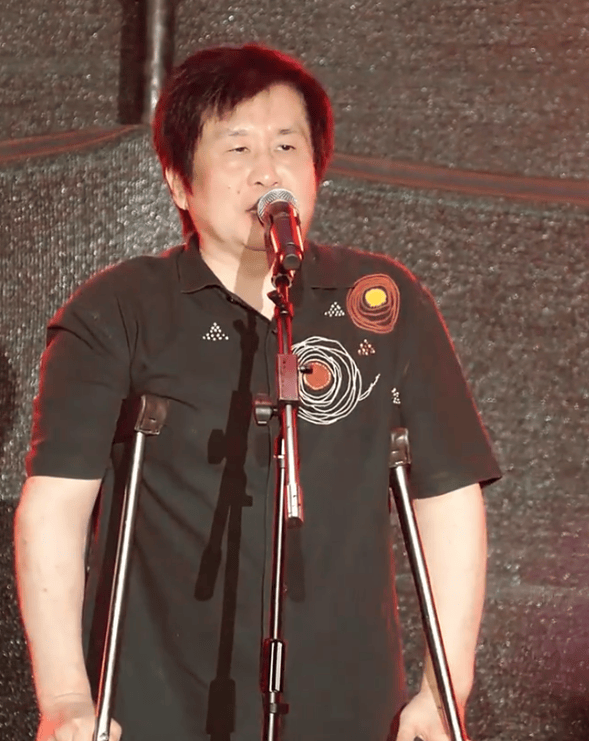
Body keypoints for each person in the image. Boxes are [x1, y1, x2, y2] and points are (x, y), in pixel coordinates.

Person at [14, 43, 500, 741]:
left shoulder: (381, 299)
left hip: (353, 708)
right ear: (179, 181)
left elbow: (447, 497)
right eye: (237, 147)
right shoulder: (118, 309)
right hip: (156, 706)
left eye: (286, 145)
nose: (267, 169)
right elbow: (55, 509)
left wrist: (444, 688)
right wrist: (65, 697)